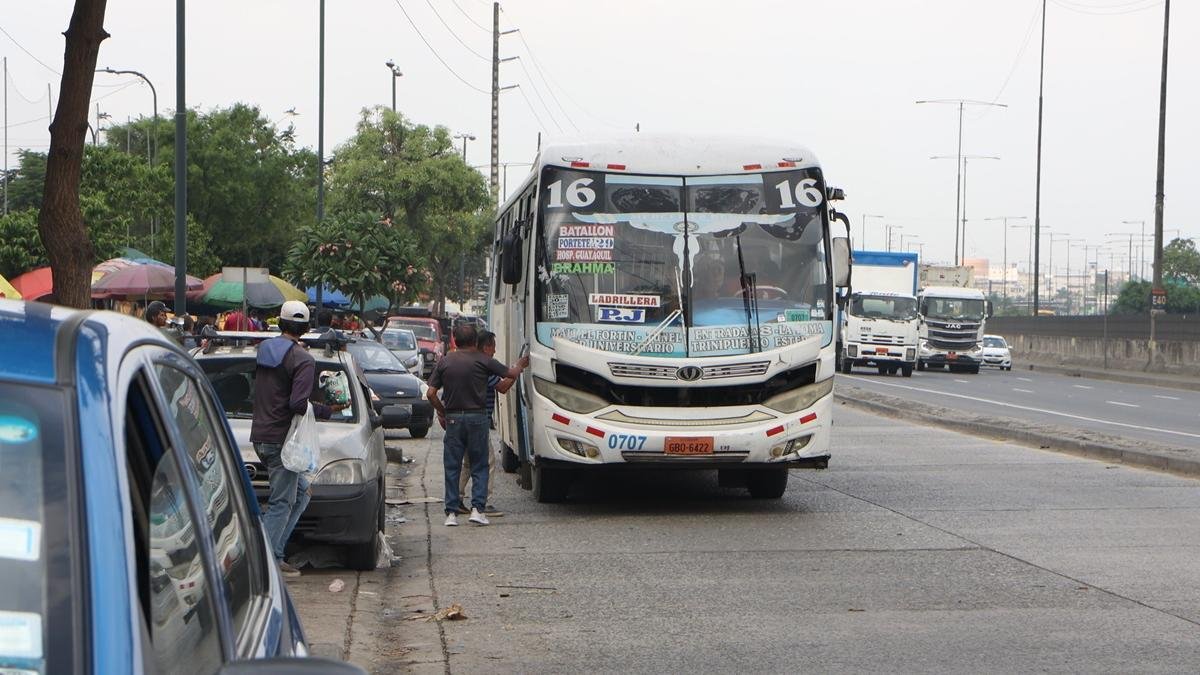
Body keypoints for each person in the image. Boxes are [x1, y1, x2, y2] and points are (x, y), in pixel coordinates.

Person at [250, 300, 347, 577]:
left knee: (302, 494)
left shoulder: (264, 349)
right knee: (282, 503)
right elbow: (297, 403)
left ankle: (276, 552)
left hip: (261, 436)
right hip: (282, 441)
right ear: (305, 328)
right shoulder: (303, 359)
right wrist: (327, 410)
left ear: (280, 323)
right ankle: (267, 562)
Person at [426, 323, 528, 527]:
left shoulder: (445, 362)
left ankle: (451, 513)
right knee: (480, 464)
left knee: (452, 465)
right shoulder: (484, 361)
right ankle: (478, 510)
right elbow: (510, 374)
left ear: (455, 340)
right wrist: (520, 365)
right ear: (475, 341)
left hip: (454, 419)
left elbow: (430, 393)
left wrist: (443, 410)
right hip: (477, 418)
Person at [457, 331, 513, 518]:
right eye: (493, 346)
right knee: (487, 462)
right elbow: (502, 387)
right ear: (486, 347)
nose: (495, 350)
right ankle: (484, 503)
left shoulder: (468, 362)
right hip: (477, 422)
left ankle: (456, 499)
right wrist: (517, 370)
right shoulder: (484, 365)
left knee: (467, 463)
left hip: (462, 420)